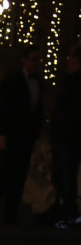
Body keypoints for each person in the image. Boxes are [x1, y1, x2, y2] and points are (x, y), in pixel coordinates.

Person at [0, 45, 44, 225]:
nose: (36, 63)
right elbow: (3, 109)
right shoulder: (12, 80)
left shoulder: (38, 83)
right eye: (33, 59)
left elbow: (37, 111)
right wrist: (2, 135)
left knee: (20, 177)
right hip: (11, 136)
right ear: (24, 60)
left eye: (38, 60)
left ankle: (10, 215)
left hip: (26, 138)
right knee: (4, 176)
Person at [50, 44, 81, 227]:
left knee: (64, 176)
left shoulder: (73, 82)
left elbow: (68, 112)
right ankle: (67, 212)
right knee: (63, 177)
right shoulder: (71, 81)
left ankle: (69, 213)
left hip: (68, 139)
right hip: (68, 138)